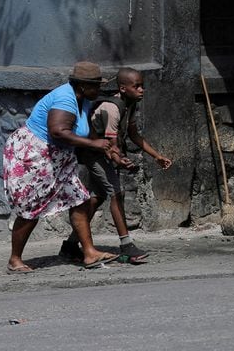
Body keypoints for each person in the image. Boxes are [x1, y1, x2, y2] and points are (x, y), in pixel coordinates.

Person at [3, 61, 119, 273]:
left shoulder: (82, 99)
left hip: (59, 158)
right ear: (82, 86)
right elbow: (58, 131)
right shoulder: (65, 98)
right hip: (36, 155)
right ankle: (15, 259)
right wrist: (95, 144)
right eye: (96, 86)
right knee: (31, 209)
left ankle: (90, 253)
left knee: (79, 200)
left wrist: (107, 149)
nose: (99, 90)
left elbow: (85, 132)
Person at [59, 68, 172, 264]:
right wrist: (119, 159)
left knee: (97, 197)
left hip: (104, 152)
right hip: (94, 153)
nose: (141, 90)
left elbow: (134, 135)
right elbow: (110, 145)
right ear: (123, 88)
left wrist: (157, 156)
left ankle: (70, 245)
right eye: (136, 86)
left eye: (142, 86)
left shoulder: (130, 105)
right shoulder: (113, 109)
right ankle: (126, 246)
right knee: (115, 193)